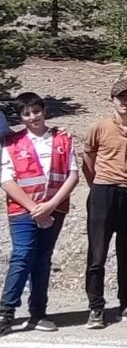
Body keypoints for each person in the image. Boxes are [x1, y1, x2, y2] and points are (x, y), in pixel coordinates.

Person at [1, 92, 79, 334]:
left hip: (54, 209)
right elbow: (6, 179)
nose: (32, 117)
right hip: (23, 210)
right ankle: (6, 311)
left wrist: (50, 206)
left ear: (44, 110)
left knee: (43, 259)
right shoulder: (11, 142)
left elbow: (72, 174)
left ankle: (38, 312)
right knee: (23, 255)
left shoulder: (63, 139)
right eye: (26, 113)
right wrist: (35, 208)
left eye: (36, 111)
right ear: (21, 117)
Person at [82, 79, 127, 328]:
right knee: (97, 254)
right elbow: (88, 159)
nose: (125, 102)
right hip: (103, 192)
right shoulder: (99, 127)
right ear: (112, 100)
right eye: (120, 97)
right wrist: (101, 183)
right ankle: (96, 308)